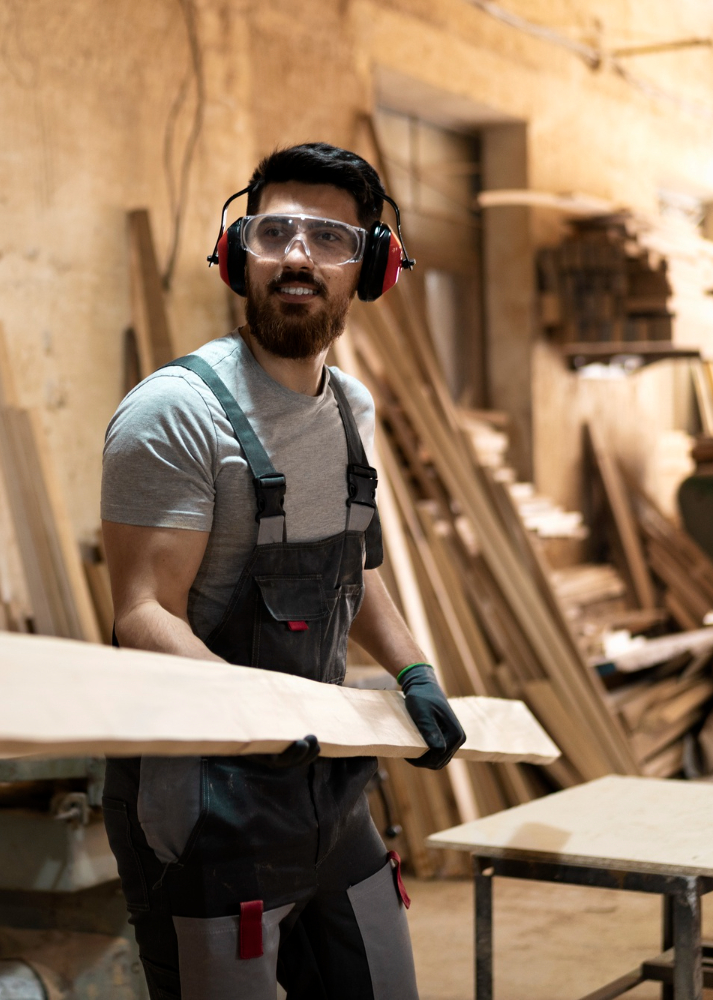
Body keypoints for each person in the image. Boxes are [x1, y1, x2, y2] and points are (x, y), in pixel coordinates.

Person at [99, 142, 466, 1000]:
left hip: (322, 787)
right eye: (277, 232)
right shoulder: (176, 414)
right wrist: (259, 711)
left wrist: (415, 671)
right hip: (203, 804)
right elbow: (143, 613)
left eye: (332, 238)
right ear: (239, 252)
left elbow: (351, 564)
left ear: (370, 269)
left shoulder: (350, 408)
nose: (299, 256)